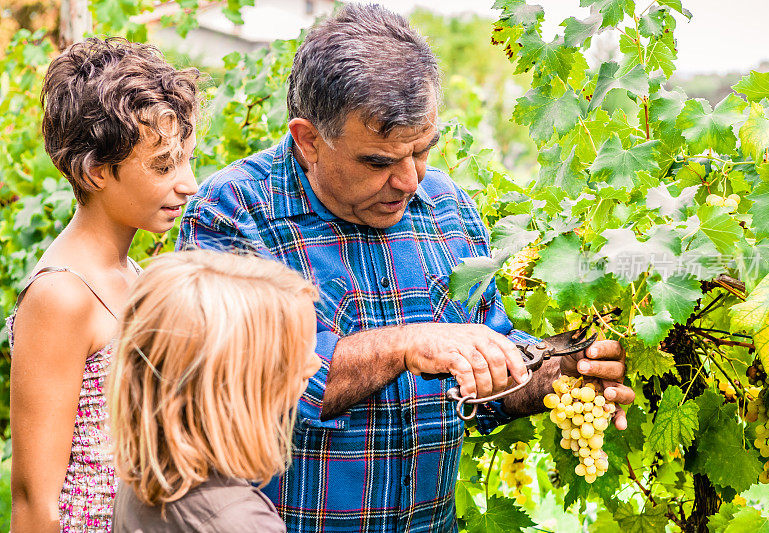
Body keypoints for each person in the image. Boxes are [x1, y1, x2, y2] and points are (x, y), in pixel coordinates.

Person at [178, 4, 634, 531]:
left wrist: (566, 370)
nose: (410, 180)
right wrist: (405, 346)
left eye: (421, 152)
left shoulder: (448, 207)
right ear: (308, 140)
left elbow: (483, 387)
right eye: (379, 161)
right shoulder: (234, 214)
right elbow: (250, 389)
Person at [7, 37, 199, 532]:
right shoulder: (62, 295)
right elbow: (34, 502)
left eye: (186, 159)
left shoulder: (130, 274)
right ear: (94, 171)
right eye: (164, 165)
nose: (189, 183)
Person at [107, 250, 322, 532]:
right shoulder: (239, 522)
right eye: (297, 352)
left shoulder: (146, 477)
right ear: (233, 384)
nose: (315, 364)